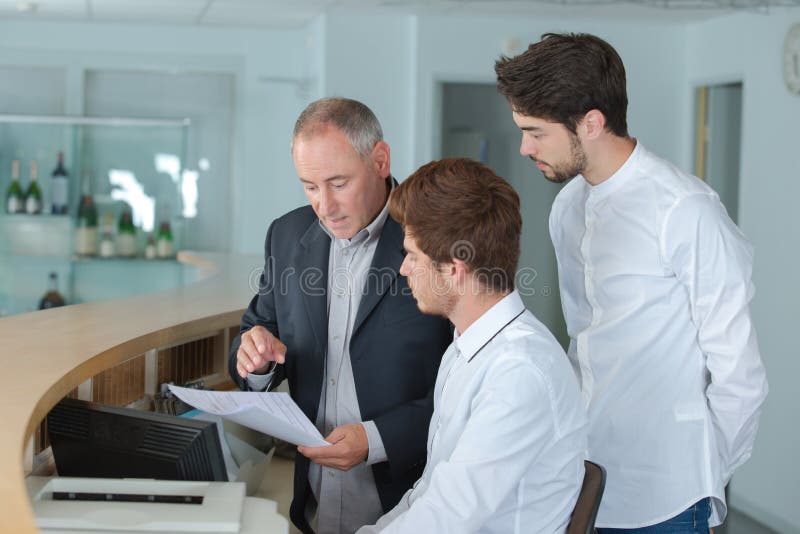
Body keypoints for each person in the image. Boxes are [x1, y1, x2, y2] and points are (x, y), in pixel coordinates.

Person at [495, 33, 768, 533]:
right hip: (584, 478)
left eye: (536, 132)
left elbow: (740, 375)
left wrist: (704, 475)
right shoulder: (567, 207)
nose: (524, 147)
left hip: (668, 495)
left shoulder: (685, 210)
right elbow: (584, 341)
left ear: (591, 123)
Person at [229, 97, 452, 534]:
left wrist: (377, 439)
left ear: (380, 160)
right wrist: (253, 359)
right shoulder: (286, 235)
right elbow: (258, 330)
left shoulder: (436, 238)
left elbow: (469, 392)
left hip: (408, 507)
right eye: (310, 186)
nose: (324, 206)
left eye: (338, 182)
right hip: (311, 507)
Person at [357, 158, 587, 533]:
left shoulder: (519, 372)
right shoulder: (466, 347)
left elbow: (446, 517)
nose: (404, 269)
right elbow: (429, 494)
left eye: (412, 256)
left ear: (455, 267)